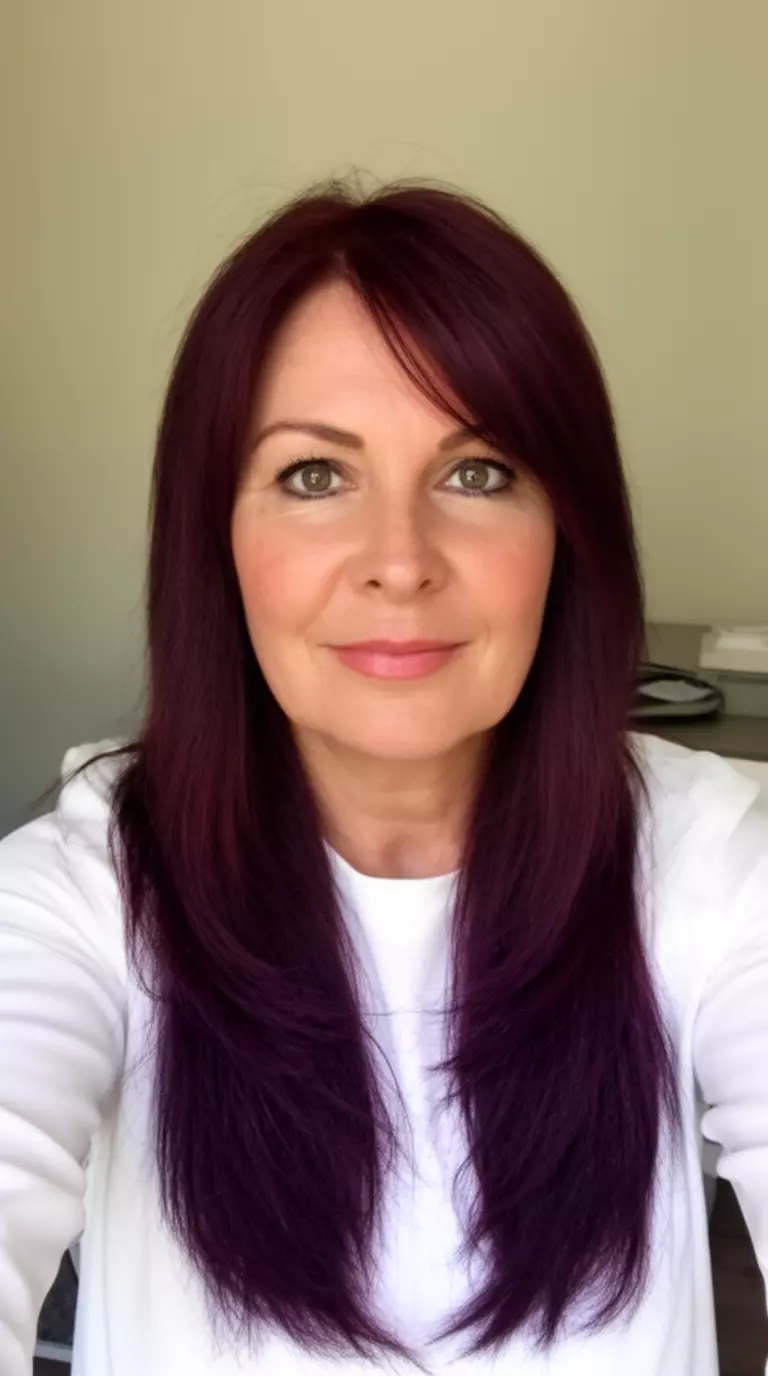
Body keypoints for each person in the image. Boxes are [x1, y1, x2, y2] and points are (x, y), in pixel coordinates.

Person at [0, 177, 766, 1376]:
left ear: (568, 532)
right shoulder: (84, 889)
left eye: (477, 471)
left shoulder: (716, 860)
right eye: (314, 475)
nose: (399, 561)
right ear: (218, 538)